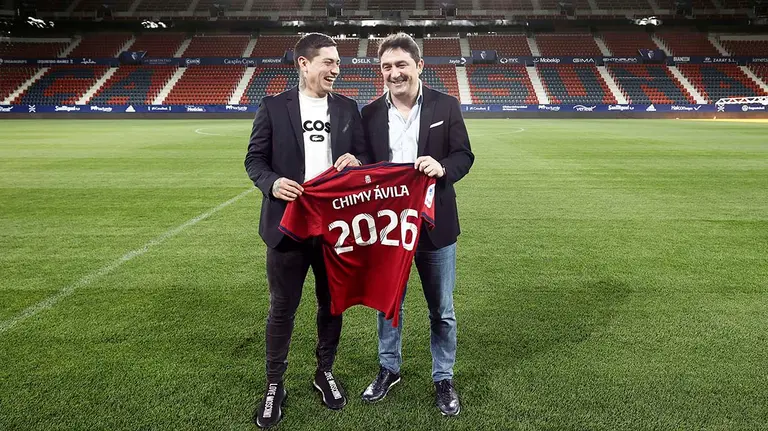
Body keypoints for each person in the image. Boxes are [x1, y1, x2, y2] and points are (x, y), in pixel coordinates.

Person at [244, 32, 367, 429]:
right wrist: (272, 183)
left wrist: (358, 163)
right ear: (304, 63)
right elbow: (255, 160)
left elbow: (365, 160)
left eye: (337, 62)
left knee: (332, 305)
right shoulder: (273, 107)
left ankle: (324, 370)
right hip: (287, 226)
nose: (336, 69)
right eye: (328, 62)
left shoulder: (349, 108)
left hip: (334, 228)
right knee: (282, 307)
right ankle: (274, 383)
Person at [359, 32, 474, 416]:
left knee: (441, 309)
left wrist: (442, 169)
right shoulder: (370, 113)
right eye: (387, 67)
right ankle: (388, 369)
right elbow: (364, 164)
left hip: (435, 227)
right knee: (388, 305)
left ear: (419, 66)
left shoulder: (446, 104)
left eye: (401, 65)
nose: (394, 73)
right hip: (389, 228)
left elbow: (463, 155)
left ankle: (443, 377)